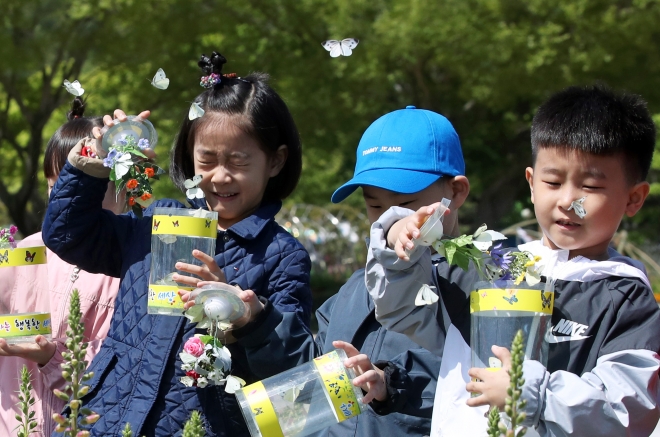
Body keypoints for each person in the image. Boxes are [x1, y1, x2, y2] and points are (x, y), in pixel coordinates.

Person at [42, 51, 312, 436]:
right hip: (107, 418)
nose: (220, 177)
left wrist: (250, 318)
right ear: (189, 156)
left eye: (238, 161)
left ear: (276, 161)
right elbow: (67, 234)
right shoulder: (155, 222)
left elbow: (295, 368)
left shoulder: (282, 256)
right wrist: (90, 167)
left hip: (202, 425)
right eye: (207, 160)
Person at [367, 84, 660, 436]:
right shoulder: (491, 264)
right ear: (532, 183)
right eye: (553, 182)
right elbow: (404, 311)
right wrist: (396, 243)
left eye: (591, 187)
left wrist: (529, 394)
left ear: (634, 198)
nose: (568, 201)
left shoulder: (628, 302)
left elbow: (627, 412)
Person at [214, 105, 470, 436]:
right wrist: (258, 320)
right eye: (374, 205)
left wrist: (391, 384)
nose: (387, 220)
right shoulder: (354, 289)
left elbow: (479, 387)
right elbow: (311, 380)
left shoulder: (481, 285)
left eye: (404, 205)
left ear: (456, 191)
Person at [0, 97, 121, 437]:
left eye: (90, 184)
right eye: (57, 185)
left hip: (82, 425)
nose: (69, 197)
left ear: (123, 186)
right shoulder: (27, 250)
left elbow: (122, 359)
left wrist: (54, 355)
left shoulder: (129, 261)